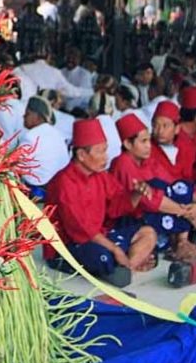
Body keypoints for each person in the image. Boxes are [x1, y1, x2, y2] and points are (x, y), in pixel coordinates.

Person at [45, 118, 156, 286]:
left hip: (100, 235)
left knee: (148, 233)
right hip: (68, 246)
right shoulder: (64, 183)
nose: (106, 157)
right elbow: (80, 229)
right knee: (102, 257)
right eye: (100, 152)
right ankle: (122, 263)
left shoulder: (101, 175)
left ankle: (127, 267)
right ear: (81, 155)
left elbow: (117, 206)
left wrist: (136, 194)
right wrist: (115, 249)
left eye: (106, 151)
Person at [110, 113, 196, 253]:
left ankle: (183, 242)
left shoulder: (147, 161)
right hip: (128, 219)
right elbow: (148, 200)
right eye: (143, 141)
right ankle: (180, 244)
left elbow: (172, 182)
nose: (149, 146)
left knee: (181, 187)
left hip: (152, 212)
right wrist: (186, 212)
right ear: (128, 144)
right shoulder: (123, 162)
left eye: (149, 141)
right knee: (158, 189)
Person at [20, 95, 69, 191]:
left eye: (27, 113)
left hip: (38, 191)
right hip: (60, 187)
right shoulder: (57, 133)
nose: (24, 116)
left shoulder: (31, 136)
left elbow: (17, 166)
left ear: (37, 117)